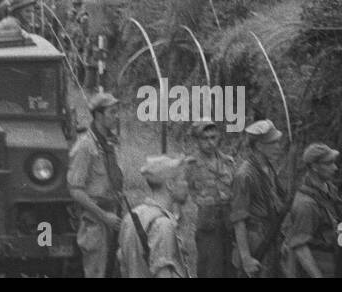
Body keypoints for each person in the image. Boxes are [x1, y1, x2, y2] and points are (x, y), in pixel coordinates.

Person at [66, 92, 123, 278]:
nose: (117, 116)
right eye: (112, 112)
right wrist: (103, 216)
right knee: (96, 272)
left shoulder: (108, 144)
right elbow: (75, 190)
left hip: (112, 217)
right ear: (99, 115)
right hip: (96, 221)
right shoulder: (85, 146)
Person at [283, 142, 342, 278]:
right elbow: (300, 248)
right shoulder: (306, 204)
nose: (335, 168)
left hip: (340, 261)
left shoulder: (330, 190)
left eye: (334, 162)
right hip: (322, 264)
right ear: (314, 167)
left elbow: (340, 221)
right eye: (328, 163)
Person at [231, 119, 288, 278]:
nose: (278, 147)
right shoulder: (245, 175)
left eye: (278, 142)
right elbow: (238, 219)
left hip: (272, 235)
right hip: (256, 241)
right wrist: (246, 258)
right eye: (272, 143)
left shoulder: (269, 168)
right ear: (258, 146)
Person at [120, 155, 191, 278]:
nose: (187, 185)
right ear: (170, 184)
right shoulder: (163, 224)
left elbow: (123, 264)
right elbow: (163, 274)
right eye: (184, 179)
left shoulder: (131, 216)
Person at [185, 119, 236, 278]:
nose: (210, 142)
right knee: (210, 270)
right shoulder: (190, 165)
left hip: (229, 224)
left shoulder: (228, 162)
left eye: (213, 137)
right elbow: (182, 196)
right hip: (208, 226)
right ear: (197, 140)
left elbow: (236, 190)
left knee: (231, 268)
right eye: (205, 139)